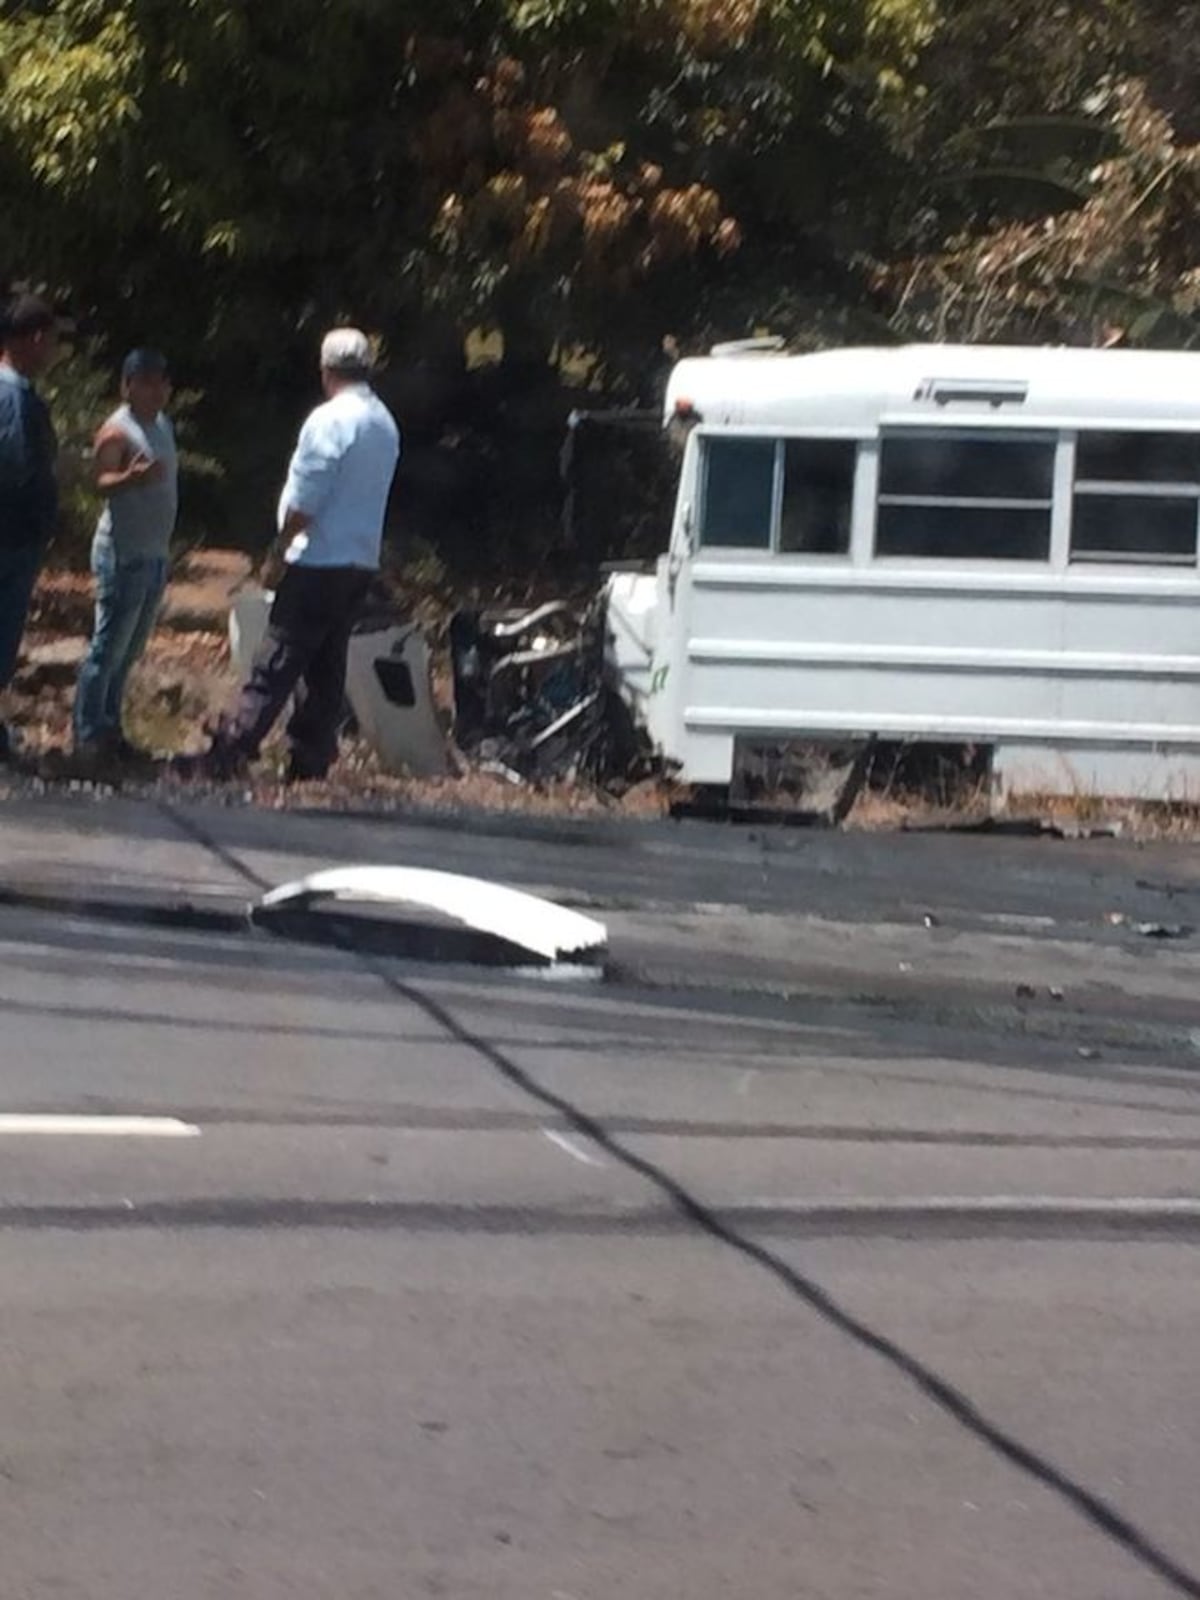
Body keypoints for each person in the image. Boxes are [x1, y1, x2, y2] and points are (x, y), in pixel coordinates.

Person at [181, 327, 400, 782]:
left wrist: (280, 549)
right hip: (359, 559)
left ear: (326, 370)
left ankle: (232, 746)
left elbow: (305, 501)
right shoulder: (384, 423)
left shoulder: (328, 421)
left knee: (279, 657)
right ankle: (311, 757)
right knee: (326, 665)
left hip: (318, 557)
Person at [73, 348, 177, 769]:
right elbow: (99, 481)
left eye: (160, 382)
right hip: (123, 554)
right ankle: (87, 733)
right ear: (127, 386)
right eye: (145, 382)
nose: (155, 390)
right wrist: (131, 478)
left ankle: (111, 728)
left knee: (130, 650)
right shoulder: (118, 430)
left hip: (154, 553)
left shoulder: (163, 425)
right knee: (107, 648)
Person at [0, 293, 60, 764]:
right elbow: (18, 466)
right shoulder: (16, 398)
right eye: (51, 341)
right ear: (36, 338)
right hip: (12, 535)